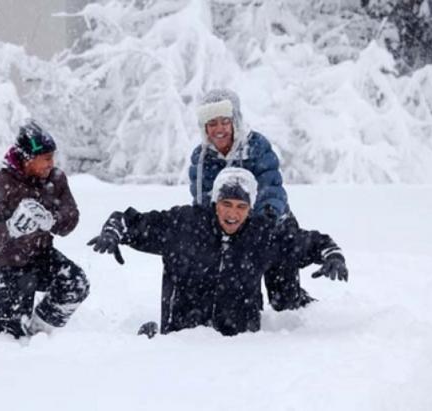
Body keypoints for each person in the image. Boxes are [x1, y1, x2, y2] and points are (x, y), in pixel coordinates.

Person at [88, 167, 347, 337]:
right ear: (215, 203)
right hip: (180, 343)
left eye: (241, 206)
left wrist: (331, 255)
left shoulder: (262, 236)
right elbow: (129, 221)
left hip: (238, 350)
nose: (232, 214)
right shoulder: (184, 223)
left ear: (250, 208)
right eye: (226, 204)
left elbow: (311, 242)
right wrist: (114, 232)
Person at [188, 88, 311, 312]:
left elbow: (271, 186)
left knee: (284, 302)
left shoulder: (256, 146)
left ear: (235, 121)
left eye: (224, 121)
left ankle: (301, 305)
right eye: (212, 123)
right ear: (204, 128)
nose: (219, 129)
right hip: (234, 231)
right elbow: (203, 199)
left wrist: (266, 217)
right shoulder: (201, 158)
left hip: (273, 225)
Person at [0, 120, 90, 339]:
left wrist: (51, 220)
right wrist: (10, 229)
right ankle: (0, 338)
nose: (50, 164)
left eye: (52, 157)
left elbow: (71, 218)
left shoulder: (56, 179)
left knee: (75, 284)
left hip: (39, 257)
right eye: (45, 158)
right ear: (27, 158)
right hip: (4, 266)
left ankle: (39, 332)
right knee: (7, 337)